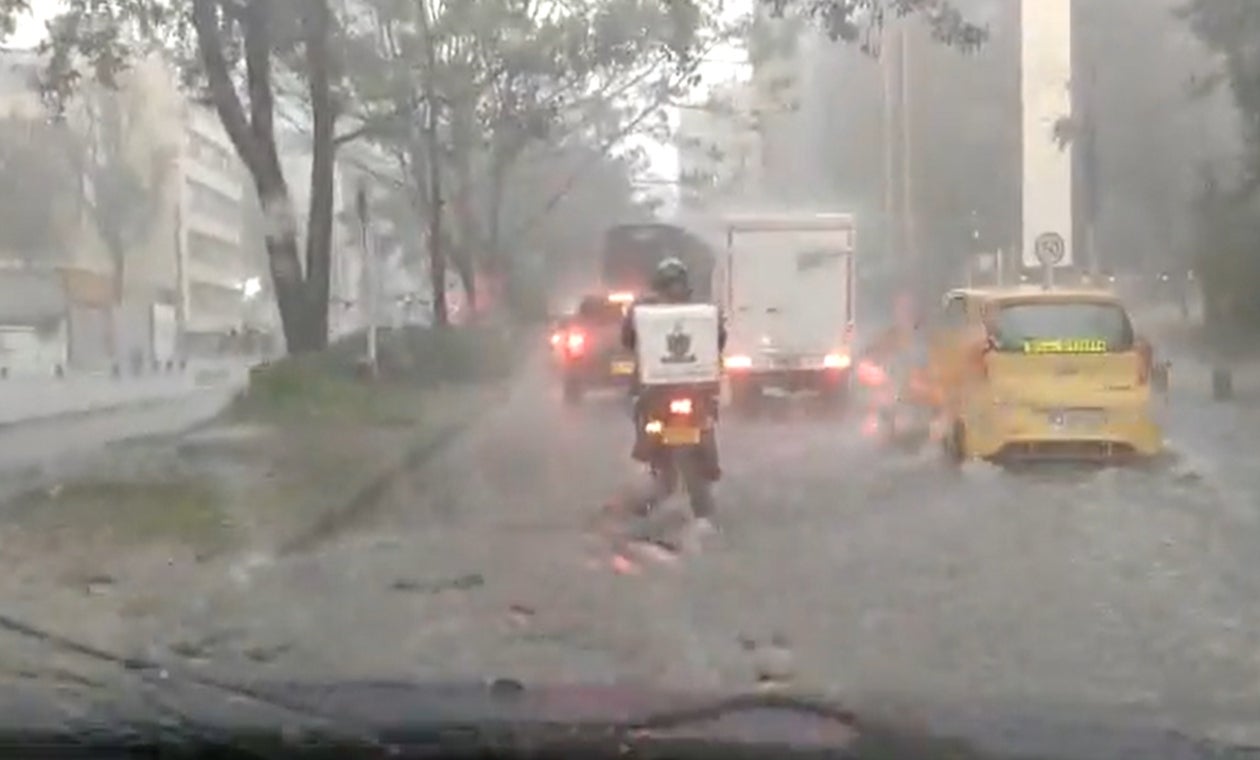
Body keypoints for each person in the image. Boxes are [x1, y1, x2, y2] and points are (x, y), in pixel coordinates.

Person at [620, 257, 726, 481]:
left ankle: (648, 449)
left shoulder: (642, 310)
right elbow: (719, 339)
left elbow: (627, 340)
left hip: (657, 386)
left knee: (645, 412)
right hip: (694, 384)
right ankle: (706, 462)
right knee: (704, 418)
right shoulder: (701, 311)